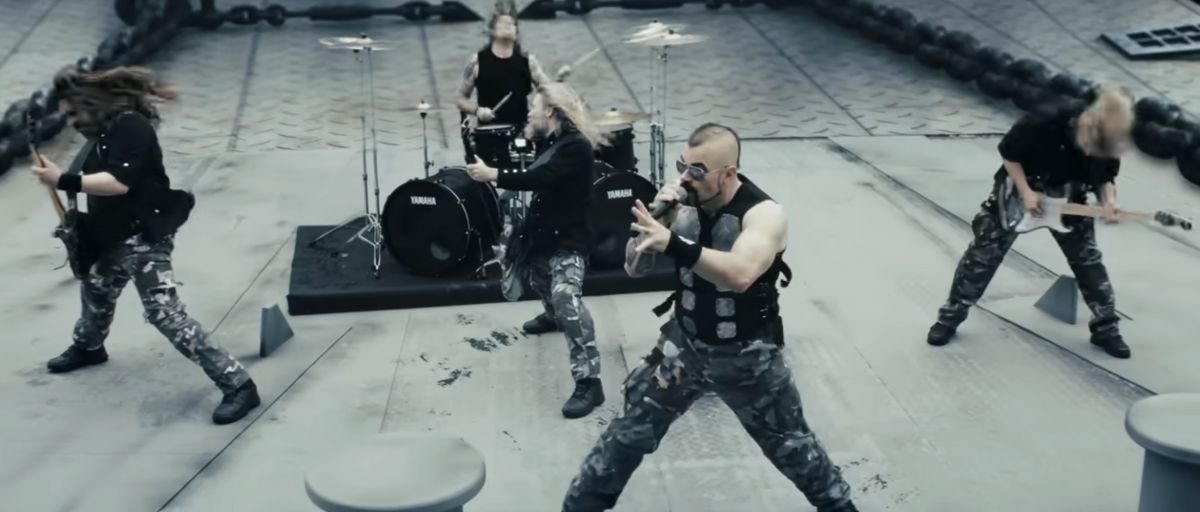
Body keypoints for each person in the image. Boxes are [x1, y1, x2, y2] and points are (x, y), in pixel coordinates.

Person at [560, 123, 857, 512]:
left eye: (698, 171)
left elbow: (740, 274)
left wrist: (673, 242)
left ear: (728, 173)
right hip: (683, 347)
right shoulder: (681, 206)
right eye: (683, 165)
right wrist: (655, 225)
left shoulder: (764, 215)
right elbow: (633, 268)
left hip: (747, 357)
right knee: (626, 434)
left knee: (793, 448)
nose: (686, 178)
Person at [31, 65, 261, 425]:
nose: (72, 122)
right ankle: (89, 347)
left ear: (89, 103)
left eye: (74, 113)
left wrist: (62, 179)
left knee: (165, 314)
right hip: (112, 236)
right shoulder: (103, 133)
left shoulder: (130, 126)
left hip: (143, 237)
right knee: (97, 288)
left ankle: (238, 385)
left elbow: (118, 183)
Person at [926, 85, 1136, 359]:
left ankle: (1106, 329)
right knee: (983, 254)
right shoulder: (1044, 118)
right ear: (1087, 114)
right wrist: (1026, 192)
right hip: (1021, 186)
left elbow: (1106, 176)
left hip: (1069, 194)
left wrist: (1110, 201)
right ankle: (950, 317)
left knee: (1088, 259)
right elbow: (1009, 154)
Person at [466, 82, 606, 419]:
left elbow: (541, 176)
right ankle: (553, 317)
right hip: (544, 233)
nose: (529, 113)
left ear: (550, 111)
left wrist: (492, 174)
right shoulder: (553, 139)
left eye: (534, 107)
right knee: (538, 278)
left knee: (565, 296)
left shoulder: (576, 147)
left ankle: (590, 382)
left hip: (568, 238)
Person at [455, 0, 568, 163]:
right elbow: (460, 98)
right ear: (492, 30)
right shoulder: (477, 62)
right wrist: (477, 111)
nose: (508, 26)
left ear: (517, 31)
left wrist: (560, 78)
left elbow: (548, 91)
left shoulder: (528, 61)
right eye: (503, 23)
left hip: (523, 132)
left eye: (512, 24)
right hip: (488, 135)